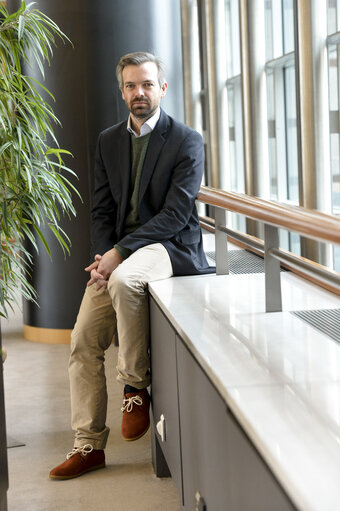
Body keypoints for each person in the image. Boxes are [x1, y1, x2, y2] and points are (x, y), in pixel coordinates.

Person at [49, 51, 213, 480]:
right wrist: (104, 257)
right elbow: (101, 210)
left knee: (125, 280)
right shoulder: (108, 140)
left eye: (146, 84)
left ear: (162, 87)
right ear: (121, 91)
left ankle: (134, 385)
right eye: (130, 86)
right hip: (119, 253)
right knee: (82, 339)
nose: (138, 93)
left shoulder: (186, 140)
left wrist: (119, 255)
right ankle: (88, 445)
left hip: (170, 246)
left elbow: (176, 215)